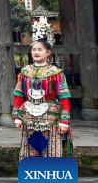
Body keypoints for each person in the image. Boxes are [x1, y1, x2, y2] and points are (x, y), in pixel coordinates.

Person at [12, 16, 71, 160]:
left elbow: (63, 97)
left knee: (51, 151)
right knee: (29, 150)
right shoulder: (25, 72)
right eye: (34, 50)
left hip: (51, 117)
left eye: (40, 50)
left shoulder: (56, 73)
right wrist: (17, 117)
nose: (36, 52)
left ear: (48, 52)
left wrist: (64, 121)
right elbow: (19, 94)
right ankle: (32, 180)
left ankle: (49, 180)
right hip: (29, 117)